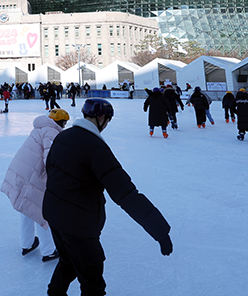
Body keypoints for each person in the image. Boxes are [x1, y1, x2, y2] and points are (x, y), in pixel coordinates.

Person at [43, 99, 172, 295]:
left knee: (68, 262)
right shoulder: (96, 148)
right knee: (93, 285)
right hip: (79, 224)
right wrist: (160, 231)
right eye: (107, 121)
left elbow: (50, 170)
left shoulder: (64, 136)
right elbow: (126, 194)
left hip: (54, 215)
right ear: (101, 118)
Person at [1, 109, 69, 263]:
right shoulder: (51, 132)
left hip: (20, 174)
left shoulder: (39, 129)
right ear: (60, 122)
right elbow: (49, 158)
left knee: (26, 208)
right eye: (64, 123)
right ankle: (49, 250)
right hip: (32, 178)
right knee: (41, 212)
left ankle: (27, 243)